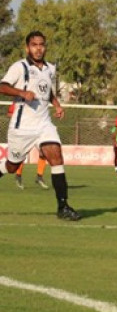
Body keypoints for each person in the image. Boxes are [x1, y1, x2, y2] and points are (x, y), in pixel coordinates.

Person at [0, 31, 80, 220]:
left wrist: (57, 104)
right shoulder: (19, 67)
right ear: (28, 47)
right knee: (12, 165)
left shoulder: (50, 69)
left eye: (41, 44)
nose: (38, 48)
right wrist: (22, 92)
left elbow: (47, 90)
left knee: (56, 156)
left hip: (44, 124)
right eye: (34, 45)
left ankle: (63, 206)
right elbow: (2, 86)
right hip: (22, 128)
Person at [7, 102, 49, 189]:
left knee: (43, 153)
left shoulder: (37, 102)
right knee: (22, 155)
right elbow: (9, 113)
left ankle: (39, 176)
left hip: (37, 132)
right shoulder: (17, 102)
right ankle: (18, 176)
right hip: (24, 132)